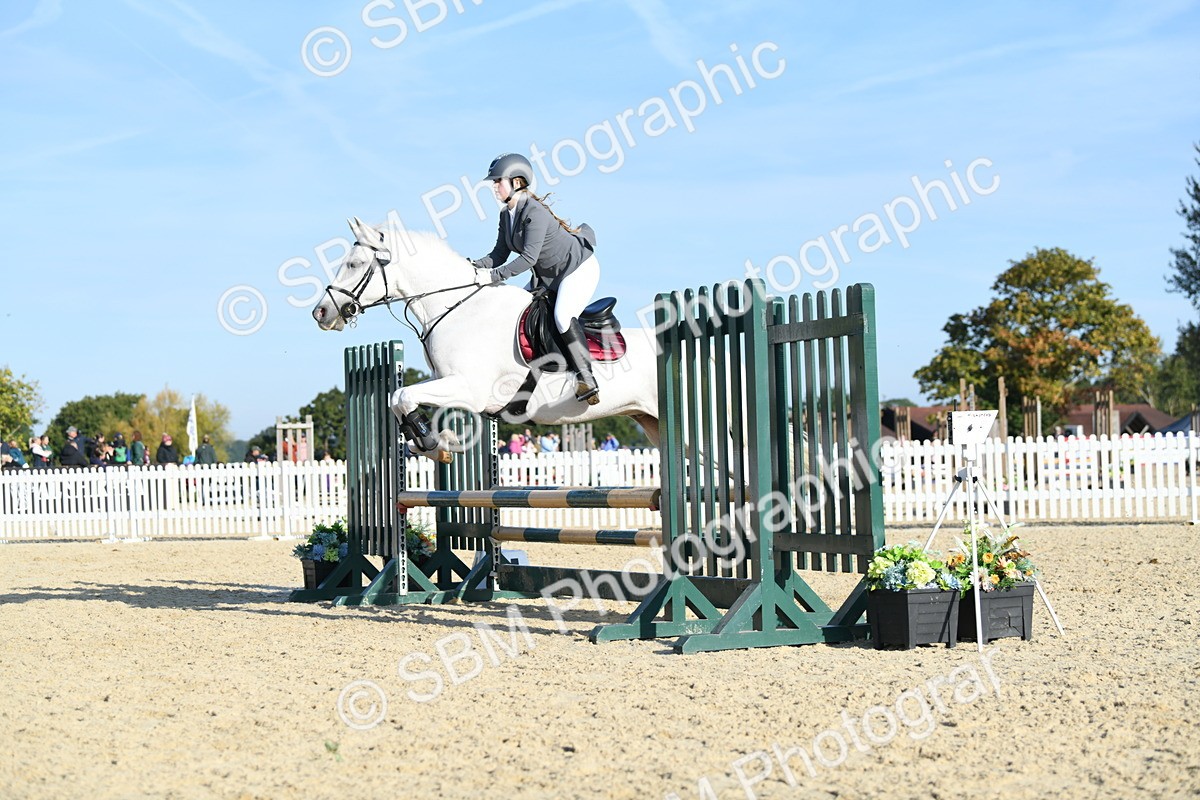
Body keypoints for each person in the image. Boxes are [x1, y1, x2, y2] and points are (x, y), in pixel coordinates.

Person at [472, 152, 601, 404]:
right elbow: (499, 254)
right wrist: (471, 267)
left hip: (577, 269)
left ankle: (586, 378)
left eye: (498, 181)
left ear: (517, 182)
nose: (494, 187)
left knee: (562, 317)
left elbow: (528, 259)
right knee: (518, 310)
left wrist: (494, 277)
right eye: (494, 182)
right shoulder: (506, 216)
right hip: (548, 276)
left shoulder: (534, 211)